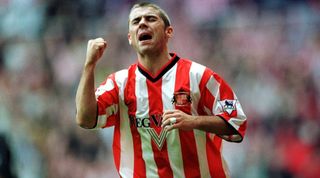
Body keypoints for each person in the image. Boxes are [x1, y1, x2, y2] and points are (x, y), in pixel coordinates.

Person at [75, 2, 247, 178]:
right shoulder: (119, 84)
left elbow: (237, 121)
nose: (142, 23)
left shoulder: (199, 76)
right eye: (136, 21)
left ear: (168, 32)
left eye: (150, 19)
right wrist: (89, 65)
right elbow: (85, 119)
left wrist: (193, 121)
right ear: (130, 38)